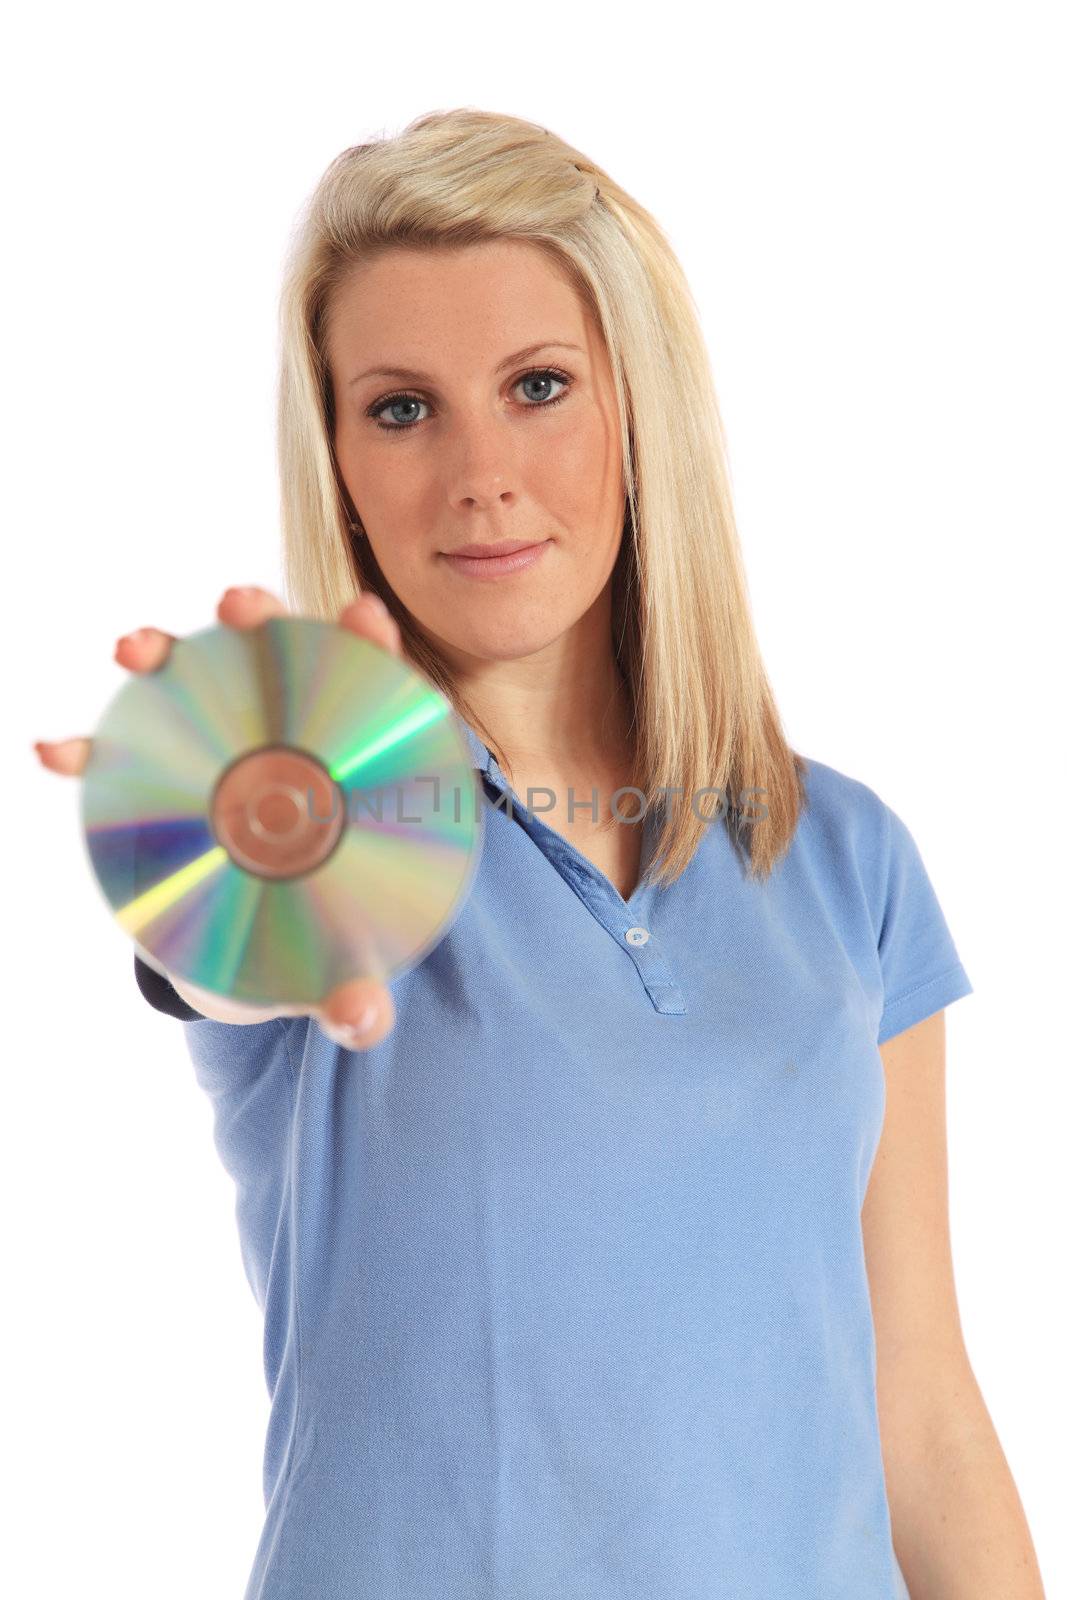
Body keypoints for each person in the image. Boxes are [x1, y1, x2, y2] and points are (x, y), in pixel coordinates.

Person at [34, 109, 1046, 1599]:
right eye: (399, 408)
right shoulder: (343, 828)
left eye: (539, 386)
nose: (478, 472)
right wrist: (232, 803)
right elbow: (234, 942)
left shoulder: (845, 857)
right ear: (336, 460)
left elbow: (925, 1410)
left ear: (643, 414)